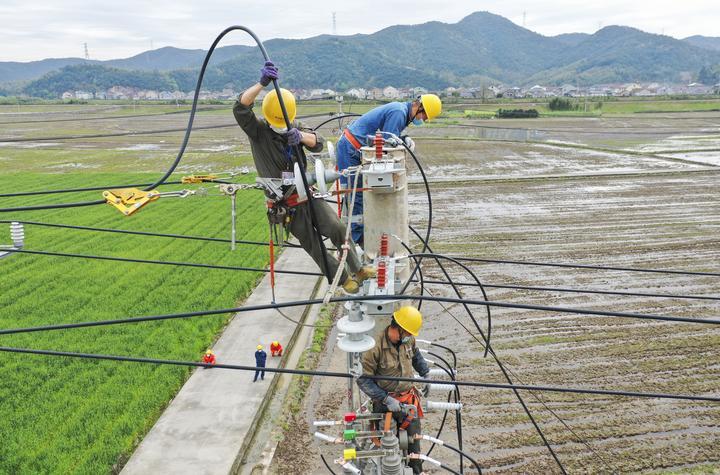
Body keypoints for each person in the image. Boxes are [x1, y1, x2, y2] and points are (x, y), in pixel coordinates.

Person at [233, 60, 375, 293]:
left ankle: (357, 268)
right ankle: (342, 280)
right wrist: (261, 84)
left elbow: (317, 142)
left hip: (306, 194)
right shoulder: (258, 131)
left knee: (336, 227)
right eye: (278, 123)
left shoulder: (294, 124)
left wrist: (300, 136)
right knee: (314, 244)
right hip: (285, 203)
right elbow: (240, 107)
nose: (281, 126)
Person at [336, 94, 442, 246]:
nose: (423, 120)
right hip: (351, 148)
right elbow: (387, 146)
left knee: (357, 194)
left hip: (353, 148)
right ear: (419, 107)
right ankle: (357, 241)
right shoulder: (399, 113)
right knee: (355, 195)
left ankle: (356, 235)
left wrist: (403, 138)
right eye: (424, 116)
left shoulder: (401, 112)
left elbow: (391, 137)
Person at [357, 306, 431, 474]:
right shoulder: (374, 347)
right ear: (397, 328)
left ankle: (416, 471)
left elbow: (416, 356)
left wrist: (426, 374)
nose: (409, 338)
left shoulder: (408, 340)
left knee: (414, 448)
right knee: (388, 449)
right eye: (407, 334)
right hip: (385, 405)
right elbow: (363, 380)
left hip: (408, 402)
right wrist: (386, 399)